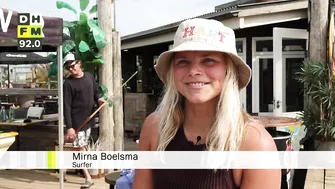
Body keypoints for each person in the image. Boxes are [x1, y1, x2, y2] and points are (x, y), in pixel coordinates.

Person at [133, 18, 281, 189]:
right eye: (183, 61)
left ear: (228, 70)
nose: (194, 71)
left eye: (209, 60)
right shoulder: (154, 127)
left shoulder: (254, 143)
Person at [63, 54, 105, 189]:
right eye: (68, 67)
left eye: (72, 65)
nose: (70, 69)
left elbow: (95, 93)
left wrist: (99, 100)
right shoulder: (68, 84)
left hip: (88, 120)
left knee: (77, 147)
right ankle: (88, 178)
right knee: (78, 150)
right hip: (76, 123)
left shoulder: (89, 77)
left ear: (79, 63)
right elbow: (66, 106)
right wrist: (69, 127)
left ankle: (63, 169)